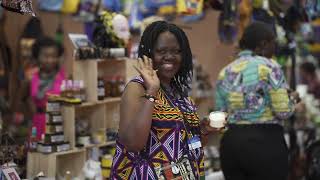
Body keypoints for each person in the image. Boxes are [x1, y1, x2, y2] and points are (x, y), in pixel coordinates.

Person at [110, 21, 217, 179]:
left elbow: (189, 146)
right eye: (161, 51)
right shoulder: (137, 88)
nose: (170, 57)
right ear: (150, 53)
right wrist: (152, 91)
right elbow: (133, 143)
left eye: (176, 51)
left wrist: (204, 132)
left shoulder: (182, 96)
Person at [215, 21, 298, 180]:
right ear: (263, 44)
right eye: (274, 43)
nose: (275, 48)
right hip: (265, 145)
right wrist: (293, 98)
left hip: (231, 146)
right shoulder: (269, 67)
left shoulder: (225, 72)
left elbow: (219, 118)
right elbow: (283, 111)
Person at [21, 36, 65, 141]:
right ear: (37, 57)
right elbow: (23, 98)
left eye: (54, 56)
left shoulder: (63, 75)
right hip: (38, 122)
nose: (50, 60)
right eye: (45, 56)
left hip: (59, 122)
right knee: (37, 154)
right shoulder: (32, 76)